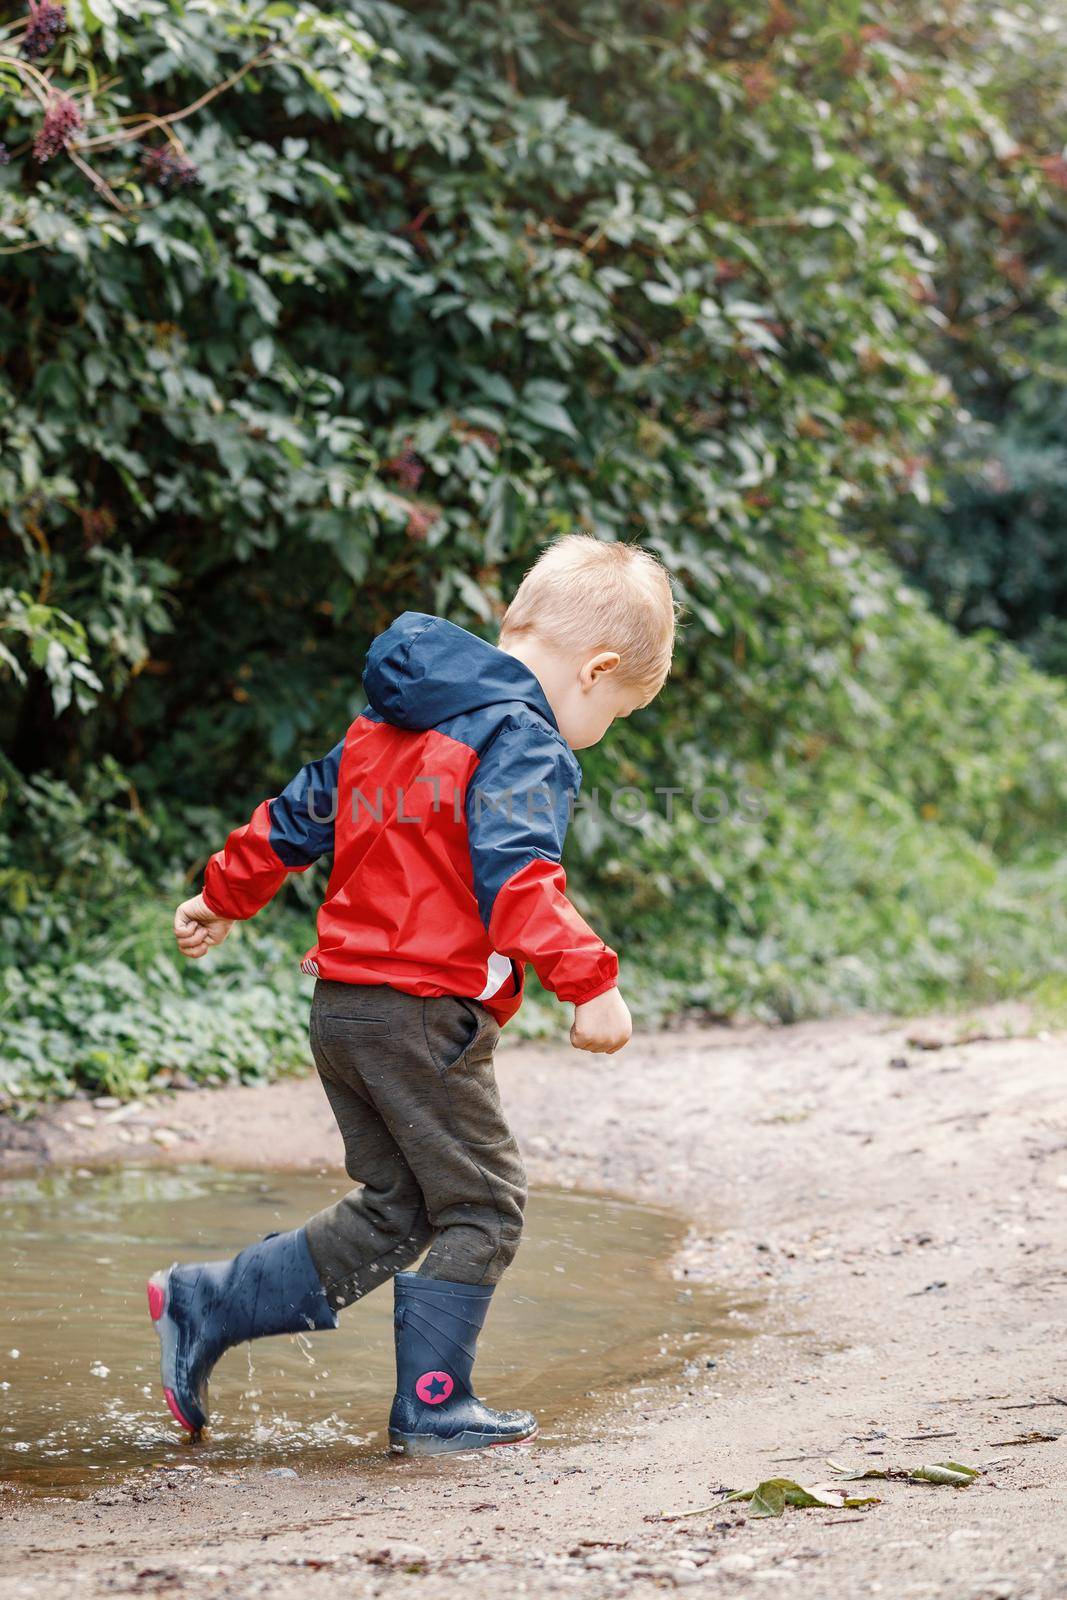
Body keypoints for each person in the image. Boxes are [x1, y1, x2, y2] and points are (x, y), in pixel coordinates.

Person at [149, 535, 676, 1457]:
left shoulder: (390, 719)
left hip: (343, 1009)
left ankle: (206, 1303)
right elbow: (516, 874)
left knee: (398, 1205)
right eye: (619, 710)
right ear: (595, 671)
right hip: (422, 1012)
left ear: (516, 622)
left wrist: (222, 893)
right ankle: (434, 1404)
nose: (601, 728)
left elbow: (298, 812)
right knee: (484, 1204)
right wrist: (590, 982)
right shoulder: (523, 736)